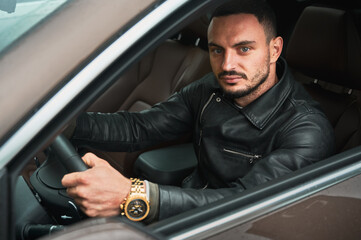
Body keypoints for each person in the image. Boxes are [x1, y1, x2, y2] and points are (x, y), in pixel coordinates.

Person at [62, 0, 334, 222]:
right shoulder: (211, 89)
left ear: (274, 50)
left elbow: (244, 203)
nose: (227, 65)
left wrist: (133, 194)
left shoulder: (306, 129)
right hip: (184, 210)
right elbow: (142, 128)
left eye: (244, 49)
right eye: (217, 50)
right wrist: (68, 126)